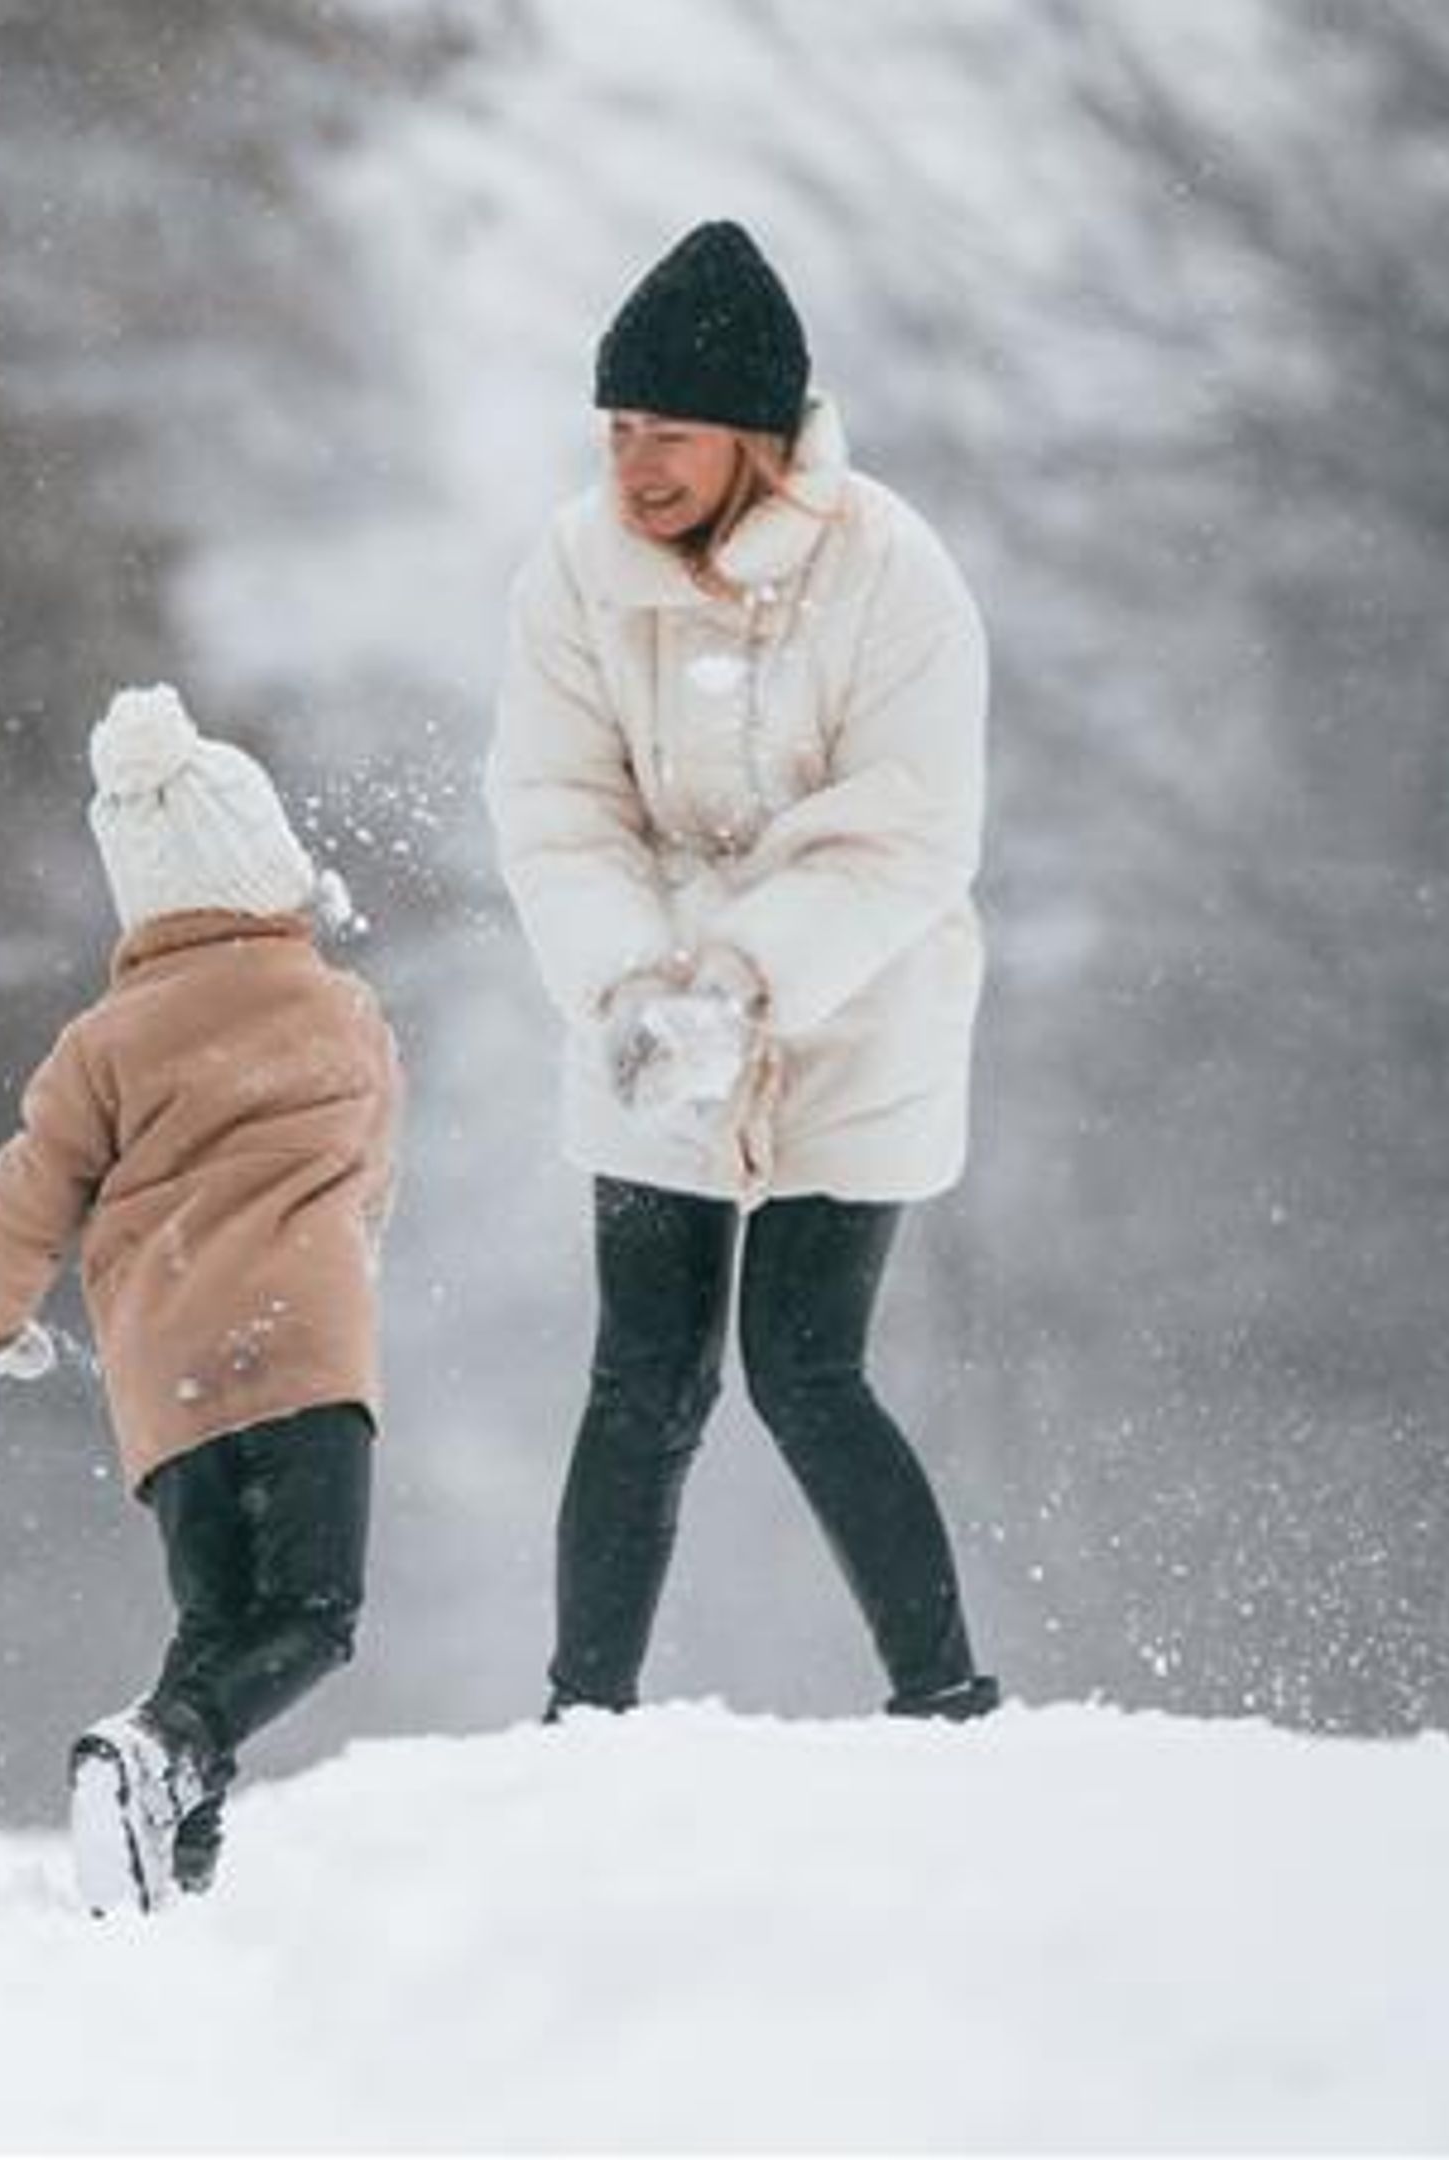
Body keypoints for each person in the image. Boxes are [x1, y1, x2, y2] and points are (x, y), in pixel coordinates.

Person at [482, 218, 1004, 1725]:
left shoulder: (892, 573)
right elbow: (557, 805)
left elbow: (909, 834)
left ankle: (945, 1698)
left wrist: (744, 979)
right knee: (643, 1373)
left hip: (856, 1005)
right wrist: (640, 987)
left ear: (758, 438)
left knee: (802, 1366)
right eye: (618, 428)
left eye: (673, 433)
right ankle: (585, 1715)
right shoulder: (575, 570)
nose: (635, 465)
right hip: (645, 1013)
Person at [0, 685, 402, 1916]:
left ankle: (167, 1852)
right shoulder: (341, 1010)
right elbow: (374, 1179)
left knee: (215, 1621)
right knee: (310, 1615)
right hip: (306, 1355)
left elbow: (29, 1185)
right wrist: (345, 1268)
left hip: (172, 1380)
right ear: (272, 870)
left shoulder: (105, 1041)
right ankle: (160, 1758)